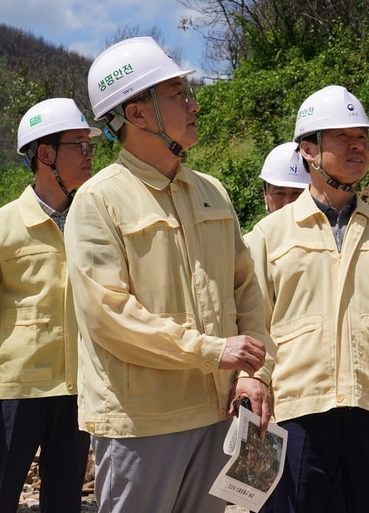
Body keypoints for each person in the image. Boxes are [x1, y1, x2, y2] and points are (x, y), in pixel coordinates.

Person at [66, 37, 272, 513]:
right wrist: (213, 350)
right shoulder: (99, 201)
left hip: (216, 411)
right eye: (178, 92)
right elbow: (108, 315)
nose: (193, 103)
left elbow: (247, 289)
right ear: (136, 115)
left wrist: (252, 371)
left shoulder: (211, 192)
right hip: (143, 423)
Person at [246, 85, 369, 513]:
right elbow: (253, 324)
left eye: (362, 137)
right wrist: (254, 382)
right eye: (343, 137)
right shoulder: (269, 236)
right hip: (296, 413)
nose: (357, 146)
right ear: (309, 151)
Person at [0, 98, 101, 513]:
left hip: (77, 391)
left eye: (92, 146)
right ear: (45, 154)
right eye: (80, 145)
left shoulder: (96, 225)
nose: (90, 155)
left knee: (65, 503)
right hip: (13, 394)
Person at [259, 141, 310, 215]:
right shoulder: (260, 227)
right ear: (265, 194)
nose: (288, 203)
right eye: (279, 193)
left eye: (297, 193)